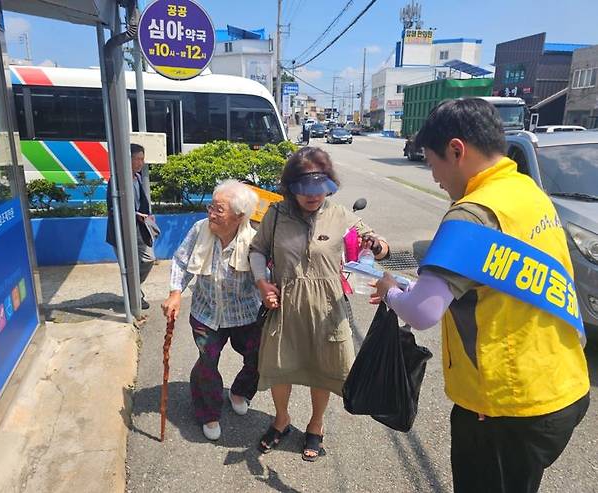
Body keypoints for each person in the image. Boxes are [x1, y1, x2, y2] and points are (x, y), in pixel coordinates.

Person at [371, 99, 590, 493]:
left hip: (504, 407)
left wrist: (389, 290)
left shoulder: (471, 212)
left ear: (457, 150)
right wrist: (395, 254)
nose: (433, 175)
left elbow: (422, 311)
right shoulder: (525, 190)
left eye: (431, 161)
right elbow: (471, 255)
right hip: (562, 386)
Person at [249, 147, 389, 461]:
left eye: (319, 189)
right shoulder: (276, 214)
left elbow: (379, 246)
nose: (313, 197)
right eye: (305, 191)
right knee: (279, 367)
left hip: (328, 308)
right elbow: (257, 250)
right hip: (284, 306)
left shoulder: (340, 215)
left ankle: (316, 424)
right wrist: (262, 282)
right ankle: (282, 419)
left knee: (322, 369)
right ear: (291, 187)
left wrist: (376, 245)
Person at [161, 180, 262, 441]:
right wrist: (175, 294)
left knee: (259, 356)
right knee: (207, 362)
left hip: (246, 314)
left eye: (219, 209)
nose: (211, 214)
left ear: (239, 216)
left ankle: (239, 391)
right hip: (206, 312)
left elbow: (268, 273)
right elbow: (181, 261)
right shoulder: (200, 229)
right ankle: (208, 412)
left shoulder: (255, 238)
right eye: (211, 207)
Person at [106, 143, 156, 309]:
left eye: (143, 159)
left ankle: (134, 288)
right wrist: (135, 214)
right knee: (128, 265)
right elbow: (113, 208)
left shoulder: (138, 177)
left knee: (149, 259)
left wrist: (146, 216)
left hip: (139, 229)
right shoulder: (117, 180)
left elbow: (141, 202)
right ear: (128, 159)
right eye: (138, 159)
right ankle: (135, 297)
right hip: (122, 231)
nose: (141, 163)